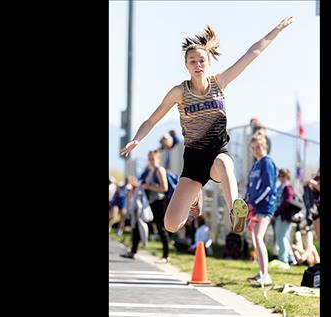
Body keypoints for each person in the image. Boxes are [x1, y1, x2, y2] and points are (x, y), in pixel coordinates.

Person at [120, 16, 294, 235]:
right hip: (193, 162)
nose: (198, 65)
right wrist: (137, 138)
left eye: (202, 60)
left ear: (209, 62)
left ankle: (235, 211)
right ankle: (195, 197)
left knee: (224, 165)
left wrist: (276, 29)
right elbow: (152, 120)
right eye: (192, 61)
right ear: (186, 65)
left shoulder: (219, 82)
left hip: (217, 153)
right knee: (171, 225)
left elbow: (252, 53)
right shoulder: (179, 93)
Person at [245, 134, 278, 286]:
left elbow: (269, 187)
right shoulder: (255, 165)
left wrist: (255, 202)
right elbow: (250, 186)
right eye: (253, 148)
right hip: (254, 207)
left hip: (264, 207)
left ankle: (266, 275)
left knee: (258, 238)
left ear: (264, 146)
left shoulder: (267, 163)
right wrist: (247, 202)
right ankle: (261, 272)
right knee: (255, 240)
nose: (255, 150)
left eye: (258, 147)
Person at [139, 150, 171, 263]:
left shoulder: (159, 170)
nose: (150, 161)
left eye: (152, 158)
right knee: (142, 222)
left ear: (158, 159)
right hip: (152, 202)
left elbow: (164, 188)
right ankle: (134, 249)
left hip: (159, 201)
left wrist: (148, 186)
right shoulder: (150, 171)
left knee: (161, 228)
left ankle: (166, 255)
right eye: (149, 158)